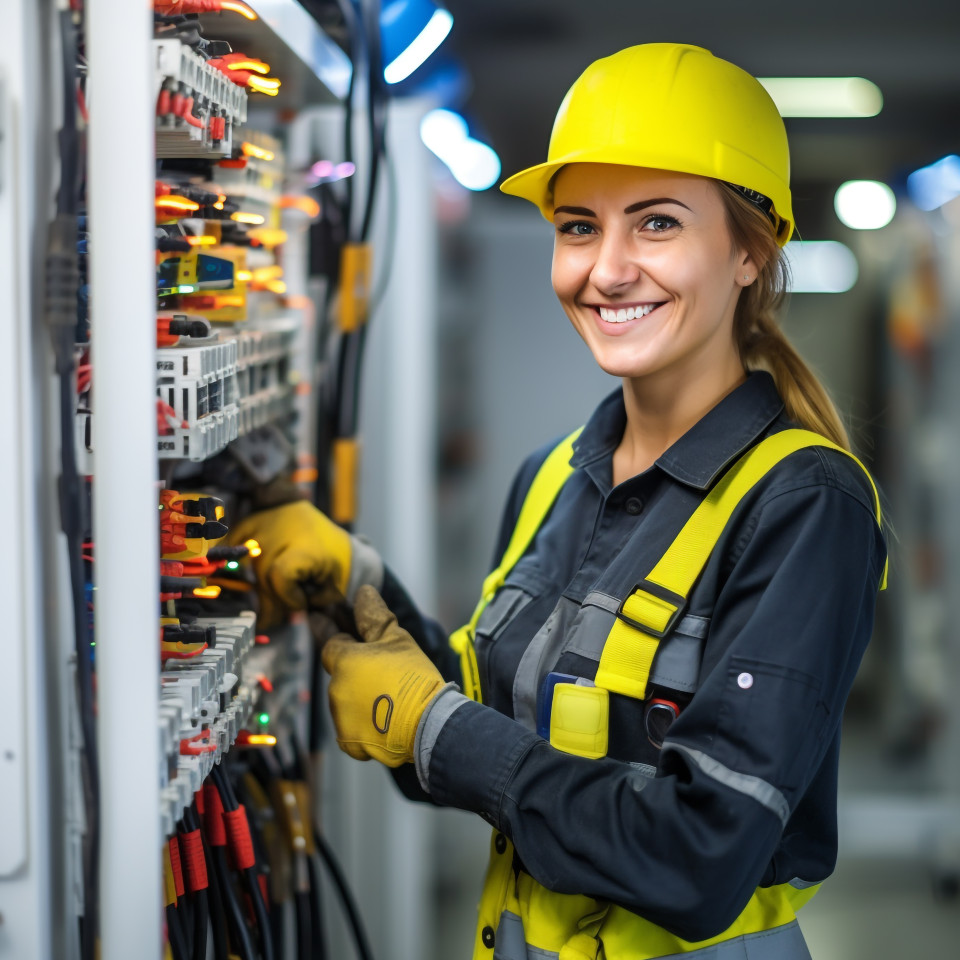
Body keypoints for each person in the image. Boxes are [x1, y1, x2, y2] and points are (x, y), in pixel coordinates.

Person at [233, 43, 888, 960]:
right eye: (579, 226)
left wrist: (431, 728)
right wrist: (357, 583)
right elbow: (474, 742)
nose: (607, 270)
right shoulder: (552, 477)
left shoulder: (805, 505)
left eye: (656, 224)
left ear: (749, 251)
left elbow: (701, 857)